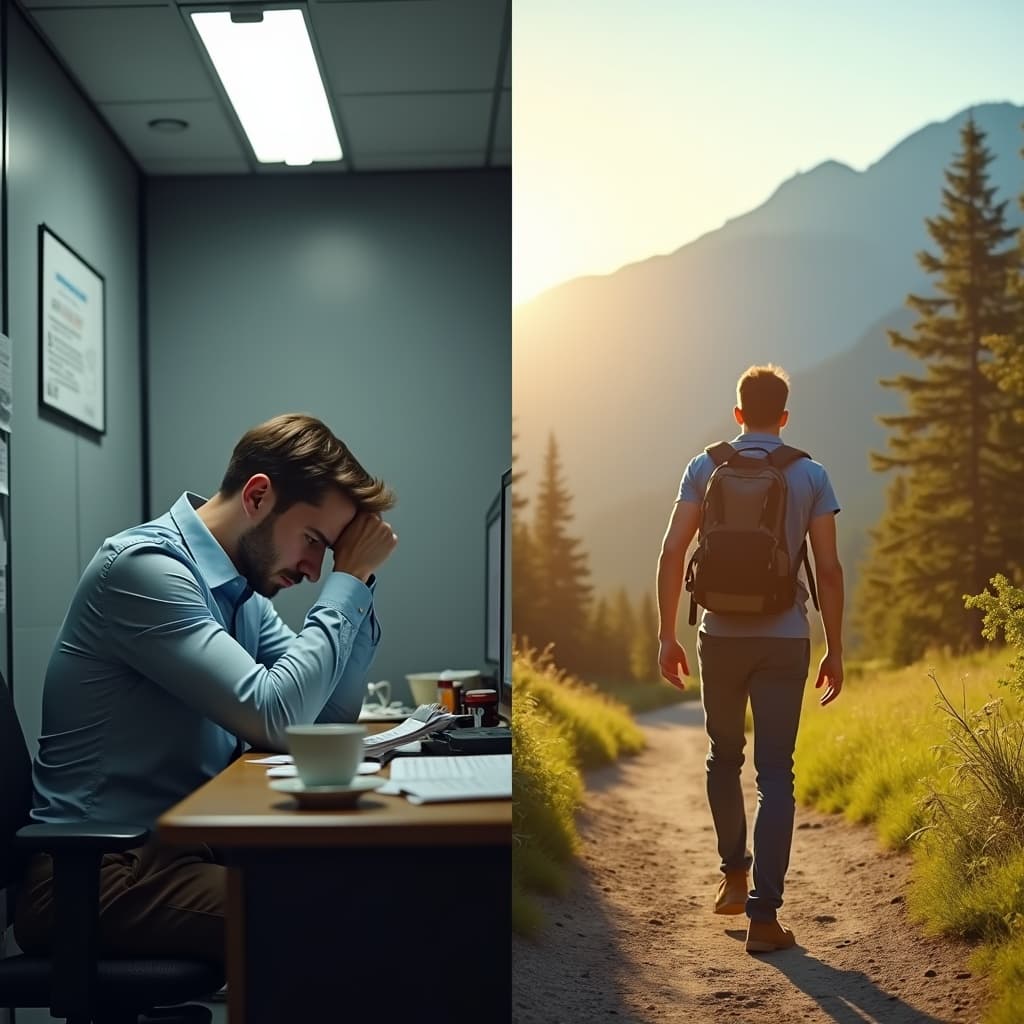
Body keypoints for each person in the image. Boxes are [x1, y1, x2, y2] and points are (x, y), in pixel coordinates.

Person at [14, 413, 397, 963]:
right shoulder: (146, 570)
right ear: (258, 496)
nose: (315, 571)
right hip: (94, 874)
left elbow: (323, 717)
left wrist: (357, 583)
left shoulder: (241, 594)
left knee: (373, 880)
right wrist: (348, 581)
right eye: (314, 541)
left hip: (182, 853)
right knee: (339, 914)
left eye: (330, 554)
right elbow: (278, 717)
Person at [655, 364, 843, 954]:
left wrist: (666, 635)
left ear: (738, 413)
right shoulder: (810, 473)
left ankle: (733, 877)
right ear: (783, 417)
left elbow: (671, 552)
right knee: (776, 772)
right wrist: (836, 647)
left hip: (718, 635)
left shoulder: (704, 466)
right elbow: (829, 569)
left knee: (723, 755)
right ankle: (764, 918)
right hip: (785, 637)